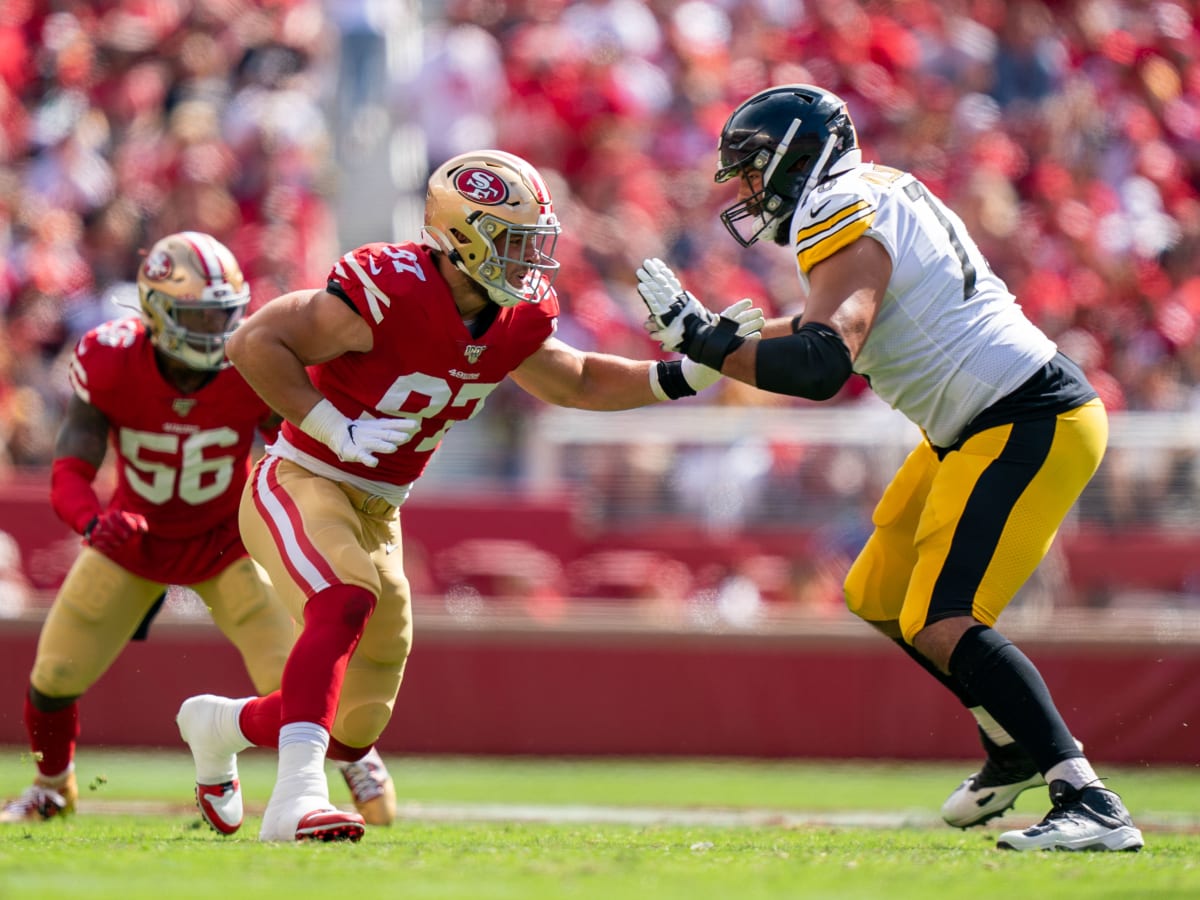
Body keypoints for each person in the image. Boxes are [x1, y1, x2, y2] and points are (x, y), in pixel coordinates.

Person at [174, 149, 763, 843]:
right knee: (345, 598)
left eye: (532, 243)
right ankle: (295, 801)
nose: (529, 261)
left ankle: (219, 725)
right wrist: (333, 423)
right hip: (302, 477)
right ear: (461, 236)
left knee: (358, 716)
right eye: (513, 243)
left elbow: (574, 380)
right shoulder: (390, 287)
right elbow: (256, 342)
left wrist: (685, 375)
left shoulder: (514, 316)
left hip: (379, 505)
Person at [636, 84, 1143, 853]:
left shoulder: (834, 206)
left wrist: (709, 345)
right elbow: (827, 324)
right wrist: (710, 335)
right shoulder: (873, 190)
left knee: (944, 620)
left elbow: (819, 363)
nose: (742, 189)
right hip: (975, 422)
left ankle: (1087, 797)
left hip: (1025, 415)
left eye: (750, 168)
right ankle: (1010, 745)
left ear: (797, 156)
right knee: (878, 590)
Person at [1, 232, 316, 833]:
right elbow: (70, 467)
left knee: (297, 678)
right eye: (199, 316)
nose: (215, 330)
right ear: (156, 311)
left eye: (225, 314)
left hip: (228, 541)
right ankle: (51, 787)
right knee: (55, 674)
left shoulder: (253, 361)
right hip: (135, 542)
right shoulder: (110, 358)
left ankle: (338, 771)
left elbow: (295, 455)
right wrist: (94, 522)